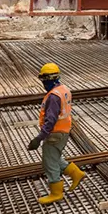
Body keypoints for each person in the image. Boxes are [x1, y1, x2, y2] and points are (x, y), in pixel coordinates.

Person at [26, 63, 85, 204]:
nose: (43, 84)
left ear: (49, 79)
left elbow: (51, 121)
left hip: (55, 133)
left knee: (49, 162)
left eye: (44, 81)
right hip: (63, 130)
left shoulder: (53, 97)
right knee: (54, 157)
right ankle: (75, 173)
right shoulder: (63, 89)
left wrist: (39, 138)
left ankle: (56, 193)